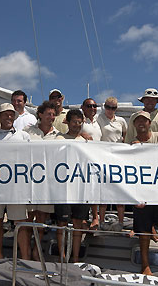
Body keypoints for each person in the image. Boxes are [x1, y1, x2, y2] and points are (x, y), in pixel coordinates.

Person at [0, 103, 31, 260]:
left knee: (20, 222)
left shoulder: (23, 136)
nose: (9, 117)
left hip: (17, 188)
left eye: (11, 114)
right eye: (5, 114)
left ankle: (24, 258)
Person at [129, 110, 158, 275]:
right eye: (137, 121)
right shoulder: (132, 143)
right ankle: (145, 265)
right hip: (141, 191)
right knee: (143, 224)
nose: (141, 123)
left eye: (144, 120)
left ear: (149, 123)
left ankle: (152, 225)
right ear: (134, 125)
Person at [23, 101, 59, 260]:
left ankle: (37, 249)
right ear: (40, 115)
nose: (52, 117)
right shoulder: (26, 132)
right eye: (48, 114)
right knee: (29, 217)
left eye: (53, 114)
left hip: (48, 184)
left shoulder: (58, 135)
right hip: (29, 182)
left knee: (42, 219)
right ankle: (26, 252)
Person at [55, 109, 90, 262]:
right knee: (62, 223)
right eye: (74, 121)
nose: (77, 125)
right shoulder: (58, 139)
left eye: (79, 122)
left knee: (78, 223)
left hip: (80, 189)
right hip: (63, 189)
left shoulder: (86, 141)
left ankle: (75, 259)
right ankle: (62, 257)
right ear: (67, 122)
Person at [96, 97, 127, 231]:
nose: (110, 110)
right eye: (108, 107)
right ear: (104, 107)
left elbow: (125, 135)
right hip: (103, 157)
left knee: (119, 191)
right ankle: (101, 220)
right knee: (104, 191)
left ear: (116, 109)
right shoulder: (99, 118)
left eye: (113, 108)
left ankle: (120, 222)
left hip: (118, 159)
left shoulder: (121, 121)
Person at [80, 98, 102, 229]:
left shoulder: (99, 121)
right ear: (83, 107)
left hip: (97, 158)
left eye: (95, 106)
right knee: (84, 188)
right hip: (84, 158)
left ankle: (95, 217)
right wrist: (82, 133)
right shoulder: (81, 120)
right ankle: (83, 217)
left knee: (94, 188)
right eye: (89, 106)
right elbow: (71, 128)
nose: (92, 108)